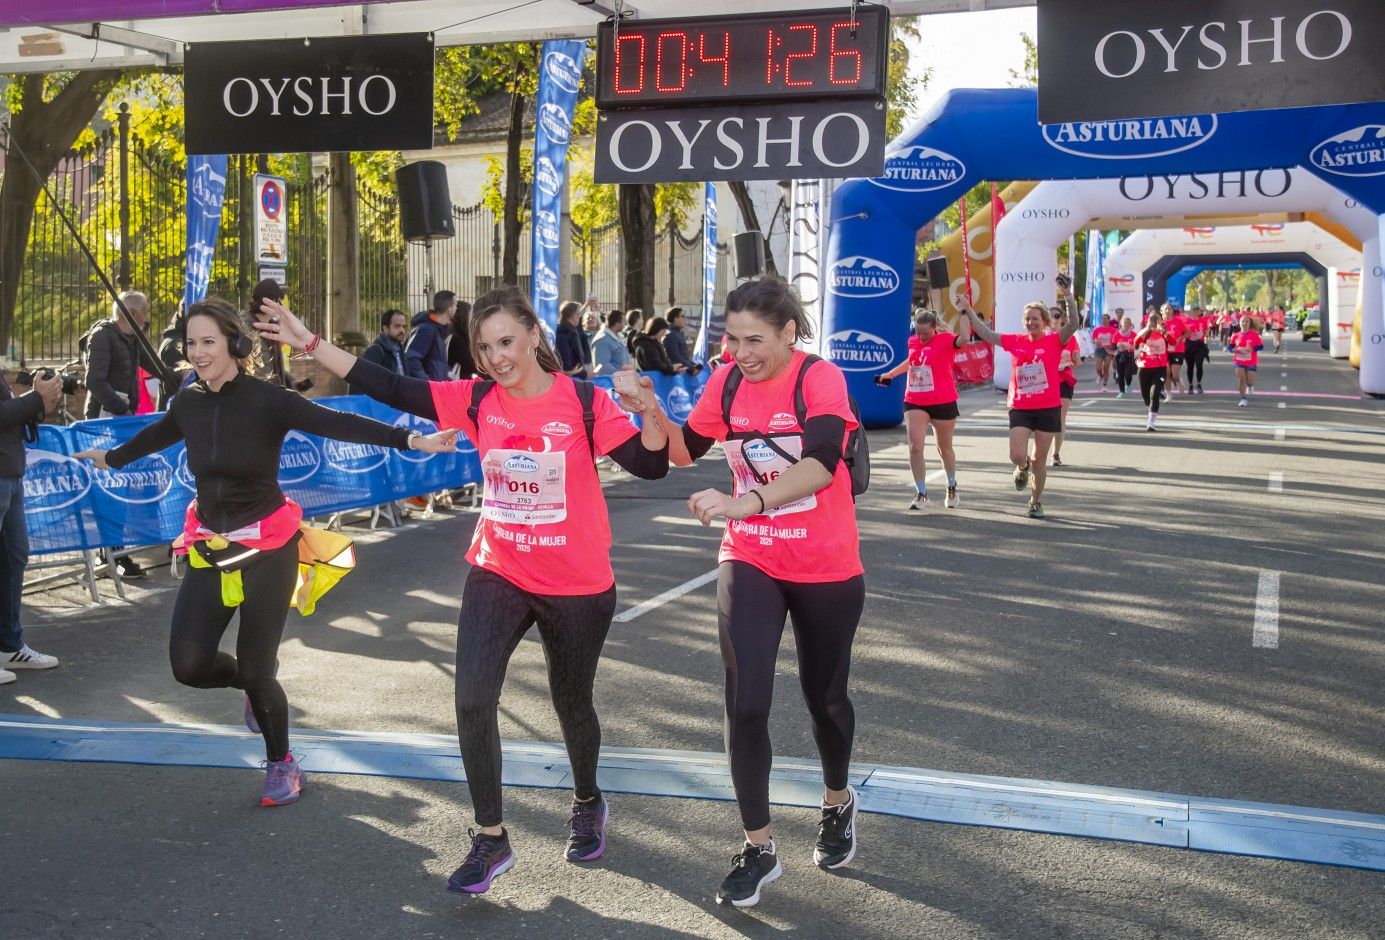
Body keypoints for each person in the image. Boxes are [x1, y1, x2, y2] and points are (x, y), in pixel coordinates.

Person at [253, 285, 671, 894]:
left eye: (507, 342)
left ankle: (586, 799)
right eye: (485, 345)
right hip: (499, 567)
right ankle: (491, 837)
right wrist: (310, 344)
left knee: (571, 703)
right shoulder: (476, 400)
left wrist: (649, 412)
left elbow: (652, 464)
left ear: (533, 335)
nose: (498, 357)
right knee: (473, 697)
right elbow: (391, 388)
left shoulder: (583, 402)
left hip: (578, 582)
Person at [74, 298, 458, 806]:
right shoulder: (187, 401)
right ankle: (251, 692)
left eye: (209, 341)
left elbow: (339, 424)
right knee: (188, 666)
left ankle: (282, 762)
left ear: (235, 344)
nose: (199, 352)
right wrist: (111, 458)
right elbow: (155, 437)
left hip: (270, 548)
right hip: (211, 546)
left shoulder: (267, 399)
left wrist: (415, 439)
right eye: (191, 343)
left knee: (260, 668)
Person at [616, 277, 865, 908]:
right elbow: (683, 451)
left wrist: (744, 500)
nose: (742, 351)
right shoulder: (725, 380)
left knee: (824, 697)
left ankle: (837, 799)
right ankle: (758, 845)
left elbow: (823, 461)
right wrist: (650, 409)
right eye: (732, 337)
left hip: (825, 561)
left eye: (755, 339)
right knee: (744, 698)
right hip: (750, 554)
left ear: (789, 332)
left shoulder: (819, 379)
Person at [962, 277, 1081, 519]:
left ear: (1045, 322)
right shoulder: (1015, 341)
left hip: (1048, 407)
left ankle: (1036, 501)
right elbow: (986, 333)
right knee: (1017, 454)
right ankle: (1022, 466)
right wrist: (968, 310)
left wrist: (1068, 295)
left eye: (1035, 319)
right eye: (1027, 319)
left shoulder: (1055, 341)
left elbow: (1074, 324)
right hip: (1021, 407)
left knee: (1040, 459)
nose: (1030, 323)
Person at [0, 369, 64, 684]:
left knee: (14, 557)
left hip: (10, 471)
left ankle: (8, 646)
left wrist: (38, 401)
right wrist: (35, 398)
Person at [873, 305, 970, 510]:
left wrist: (964, 311)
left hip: (943, 400)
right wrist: (891, 374)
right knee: (915, 447)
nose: (922, 337)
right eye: (918, 333)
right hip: (915, 399)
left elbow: (964, 337)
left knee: (944, 449)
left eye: (925, 333)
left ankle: (951, 485)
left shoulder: (946, 340)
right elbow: (913, 361)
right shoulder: (913, 341)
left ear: (934, 328)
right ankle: (921, 492)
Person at [84, 290, 151, 418]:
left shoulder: (133, 338)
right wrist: (122, 410)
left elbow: (154, 365)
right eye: (144, 312)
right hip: (103, 416)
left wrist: (179, 373)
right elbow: (95, 381)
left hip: (122, 413)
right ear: (132, 313)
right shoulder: (102, 335)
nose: (146, 319)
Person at [351, 308, 408, 395]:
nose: (402, 330)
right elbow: (363, 382)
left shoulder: (401, 352)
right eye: (397, 326)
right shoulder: (376, 350)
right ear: (385, 328)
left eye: (403, 326)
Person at [1051, 308, 1081, 467]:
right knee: (1047, 419)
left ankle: (1055, 453)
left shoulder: (1071, 339)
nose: (1054, 319)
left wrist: (1075, 359)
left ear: (1062, 319)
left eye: (1057, 315)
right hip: (1046, 383)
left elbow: (1077, 362)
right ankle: (1041, 451)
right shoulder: (1042, 338)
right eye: (1050, 316)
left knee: (1060, 418)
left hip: (1064, 380)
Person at [406, 290, 456, 381]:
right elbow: (411, 358)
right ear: (449, 309)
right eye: (455, 305)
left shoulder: (437, 330)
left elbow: (437, 367)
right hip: (426, 391)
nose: (456, 308)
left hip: (435, 390)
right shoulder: (427, 329)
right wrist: (427, 383)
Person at [1134, 309, 1171, 431]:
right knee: (1146, 397)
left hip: (1160, 369)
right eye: (1152, 319)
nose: (1155, 321)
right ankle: (1150, 410)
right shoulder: (1145, 333)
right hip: (1144, 368)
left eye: (1157, 319)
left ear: (1161, 320)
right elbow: (1135, 343)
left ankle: (1151, 422)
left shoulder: (1164, 332)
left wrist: (1164, 332)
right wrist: (1147, 328)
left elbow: (1173, 342)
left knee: (1154, 394)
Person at [1230, 314, 1265, 407]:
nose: (1245, 323)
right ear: (1239, 323)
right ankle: (1243, 399)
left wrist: (1252, 349)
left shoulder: (1254, 335)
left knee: (1249, 381)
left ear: (1250, 324)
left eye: (1247, 321)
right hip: (1239, 360)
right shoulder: (1235, 335)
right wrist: (1233, 350)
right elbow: (1230, 347)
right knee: (1241, 379)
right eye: (1243, 321)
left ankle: (1250, 386)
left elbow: (1261, 346)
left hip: (1251, 361)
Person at [555, 300, 594, 378]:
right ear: (572, 316)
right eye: (578, 314)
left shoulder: (573, 330)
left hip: (576, 375)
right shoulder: (563, 335)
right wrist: (585, 374)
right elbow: (567, 366)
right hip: (570, 379)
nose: (580, 317)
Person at [662, 307, 702, 375]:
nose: (685, 319)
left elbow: (684, 356)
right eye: (682, 316)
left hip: (684, 374)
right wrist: (692, 369)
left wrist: (694, 365)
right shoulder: (670, 334)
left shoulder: (679, 333)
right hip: (677, 378)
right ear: (675, 319)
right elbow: (675, 357)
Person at [591, 310, 632, 375]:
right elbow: (602, 366)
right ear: (617, 324)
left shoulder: (618, 337)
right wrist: (621, 376)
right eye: (624, 322)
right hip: (609, 382)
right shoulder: (602, 340)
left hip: (620, 381)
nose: (626, 325)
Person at [1184, 306, 1211, 394]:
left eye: (1197, 310)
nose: (1195, 311)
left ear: (1199, 311)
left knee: (1199, 364)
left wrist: (1206, 335)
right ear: (1191, 311)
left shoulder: (1203, 320)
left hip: (1199, 344)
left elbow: (1207, 329)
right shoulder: (1186, 320)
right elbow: (1182, 331)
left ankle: (1198, 384)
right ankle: (1190, 385)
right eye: (1194, 310)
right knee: (1190, 366)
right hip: (1189, 344)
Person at [1162, 304, 1188, 397]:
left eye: (1169, 309)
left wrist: (1180, 339)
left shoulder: (1178, 321)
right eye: (1165, 309)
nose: (1168, 310)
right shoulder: (1160, 323)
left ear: (1172, 311)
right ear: (1162, 312)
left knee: (1174, 374)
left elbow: (1188, 332)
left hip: (1178, 350)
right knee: (1166, 373)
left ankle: (1178, 380)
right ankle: (1169, 396)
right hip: (1164, 351)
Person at [447, 300, 477, 379]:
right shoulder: (457, 340)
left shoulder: (452, 334)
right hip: (458, 384)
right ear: (464, 317)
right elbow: (471, 365)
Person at [1112, 315, 1138, 399]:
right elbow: (1113, 347)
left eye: (1128, 323)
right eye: (1125, 322)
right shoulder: (1116, 334)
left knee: (1128, 374)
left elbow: (1137, 346)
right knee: (1120, 375)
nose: (1126, 324)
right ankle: (1121, 392)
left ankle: (1129, 383)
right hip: (1119, 356)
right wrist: (1118, 345)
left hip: (1129, 356)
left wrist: (1130, 346)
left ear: (1130, 324)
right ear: (1121, 324)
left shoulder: (1133, 334)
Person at [1090, 314, 1117, 392]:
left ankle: (1104, 385)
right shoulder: (1097, 329)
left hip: (1108, 350)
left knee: (1106, 368)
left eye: (1105, 318)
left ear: (1109, 320)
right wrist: (1096, 342)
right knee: (1098, 368)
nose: (1103, 320)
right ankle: (1100, 376)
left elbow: (1115, 339)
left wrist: (1112, 344)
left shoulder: (1112, 330)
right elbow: (1092, 339)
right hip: (1099, 349)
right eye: (1102, 318)